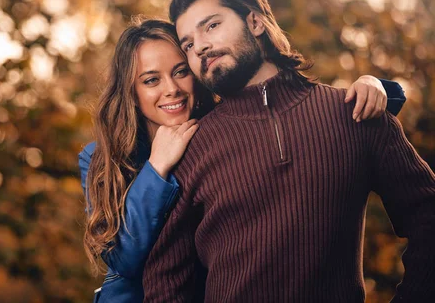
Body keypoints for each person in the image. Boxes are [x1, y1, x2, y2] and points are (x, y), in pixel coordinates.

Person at [141, 0, 434, 303]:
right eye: (187, 44)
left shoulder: (355, 114)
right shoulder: (191, 148)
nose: (200, 47)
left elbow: (428, 216)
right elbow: (163, 278)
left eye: (211, 26)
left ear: (255, 22)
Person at [79, 19, 405, 303]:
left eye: (181, 72)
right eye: (151, 80)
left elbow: (287, 107)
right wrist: (157, 168)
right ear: (131, 92)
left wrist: (376, 88)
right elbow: (124, 257)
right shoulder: (101, 159)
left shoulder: (223, 132)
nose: (172, 89)